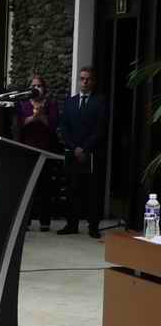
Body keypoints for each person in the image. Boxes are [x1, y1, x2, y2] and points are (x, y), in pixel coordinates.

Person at [58, 66, 107, 238]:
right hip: (73, 152)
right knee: (72, 189)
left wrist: (85, 148)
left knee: (92, 191)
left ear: (93, 81)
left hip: (91, 153)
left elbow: (100, 129)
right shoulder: (70, 102)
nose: (84, 82)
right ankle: (71, 224)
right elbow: (64, 127)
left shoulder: (100, 102)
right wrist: (74, 147)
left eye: (87, 79)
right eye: (82, 78)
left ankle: (93, 226)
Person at [14, 74, 60, 231]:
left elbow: (53, 126)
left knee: (45, 187)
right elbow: (19, 125)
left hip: (45, 150)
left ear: (44, 88)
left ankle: (45, 222)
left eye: (39, 85)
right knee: (27, 187)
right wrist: (33, 117)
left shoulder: (51, 104)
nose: (36, 88)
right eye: (33, 86)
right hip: (27, 150)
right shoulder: (23, 104)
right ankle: (25, 221)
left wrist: (41, 117)